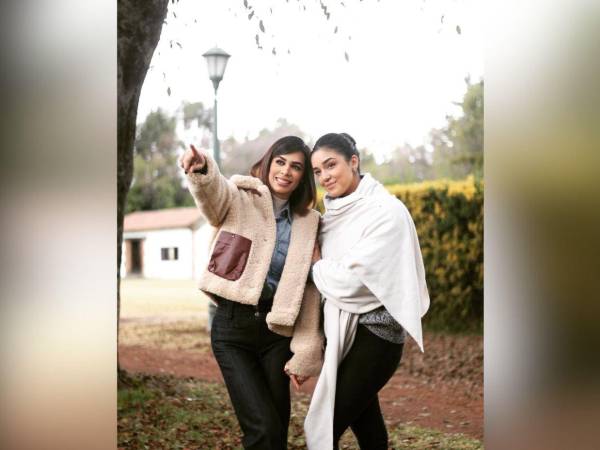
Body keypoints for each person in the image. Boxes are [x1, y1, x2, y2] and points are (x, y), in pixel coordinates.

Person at [179, 136, 324, 450]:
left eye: (296, 166)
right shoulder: (241, 196)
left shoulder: (309, 222)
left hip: (276, 334)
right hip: (232, 330)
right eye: (280, 162)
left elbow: (309, 290)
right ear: (268, 163)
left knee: (277, 430)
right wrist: (202, 170)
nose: (285, 171)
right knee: (263, 429)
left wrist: (306, 351)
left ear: (303, 176)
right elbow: (214, 195)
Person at [296, 132, 430, 449]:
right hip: (341, 334)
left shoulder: (386, 212)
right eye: (317, 171)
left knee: (325, 426)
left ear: (353, 161)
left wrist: (317, 267)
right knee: (370, 433)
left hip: (376, 335)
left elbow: (354, 283)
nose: (325, 177)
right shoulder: (332, 217)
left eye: (331, 165)